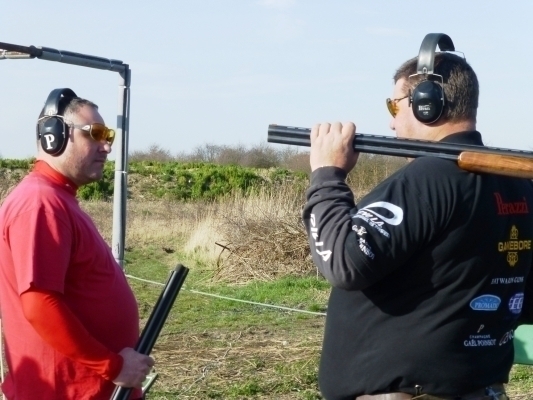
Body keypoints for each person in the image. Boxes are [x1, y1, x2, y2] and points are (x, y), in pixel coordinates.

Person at [302, 37, 533, 399]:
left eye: (395, 106)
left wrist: (327, 176)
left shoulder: (428, 179)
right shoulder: (518, 184)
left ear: (427, 104)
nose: (392, 122)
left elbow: (345, 262)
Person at [0, 89, 154, 400]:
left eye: (108, 135)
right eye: (94, 134)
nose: (106, 146)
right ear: (54, 136)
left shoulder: (57, 199)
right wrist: (113, 367)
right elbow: (40, 305)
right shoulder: (41, 203)